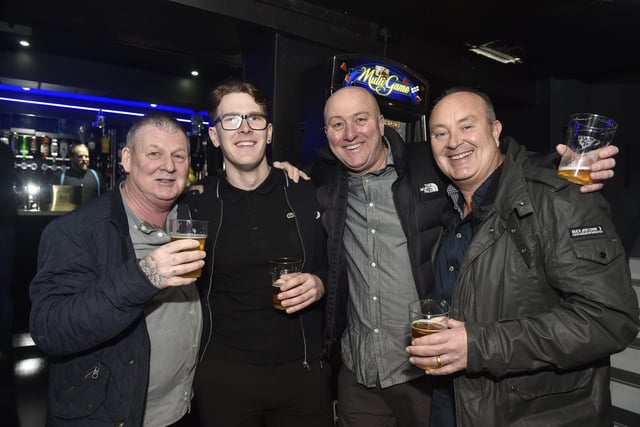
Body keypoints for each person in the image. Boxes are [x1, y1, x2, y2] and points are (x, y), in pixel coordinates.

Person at [308, 85, 620, 427]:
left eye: (361, 119)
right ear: (326, 133)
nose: (350, 133)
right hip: (364, 372)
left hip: (429, 378)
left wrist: (562, 167)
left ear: (383, 124)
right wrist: (279, 171)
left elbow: (504, 168)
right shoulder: (325, 182)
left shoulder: (427, 165)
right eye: (337, 124)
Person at [406, 87, 640, 427]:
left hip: (532, 414)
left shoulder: (560, 197)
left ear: (496, 130)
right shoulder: (450, 211)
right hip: (453, 401)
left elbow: (609, 318)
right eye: (441, 133)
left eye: (466, 126)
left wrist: (477, 346)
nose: (454, 141)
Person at [29, 112, 206, 426]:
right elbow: (50, 329)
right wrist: (144, 275)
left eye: (179, 156)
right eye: (154, 153)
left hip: (182, 410)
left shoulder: (189, 220)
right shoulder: (78, 231)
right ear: (127, 159)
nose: (168, 165)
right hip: (114, 416)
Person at [185, 78, 333, 427]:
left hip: (303, 373)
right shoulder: (196, 205)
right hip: (224, 376)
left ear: (269, 132)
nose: (245, 129)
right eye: (231, 120)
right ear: (214, 135)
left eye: (255, 118)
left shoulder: (306, 194)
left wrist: (320, 284)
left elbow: (336, 266)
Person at [0, 140, 20, 426]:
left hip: (5, 226)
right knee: (3, 291)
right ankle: (4, 347)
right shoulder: (6, 158)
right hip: (6, 228)